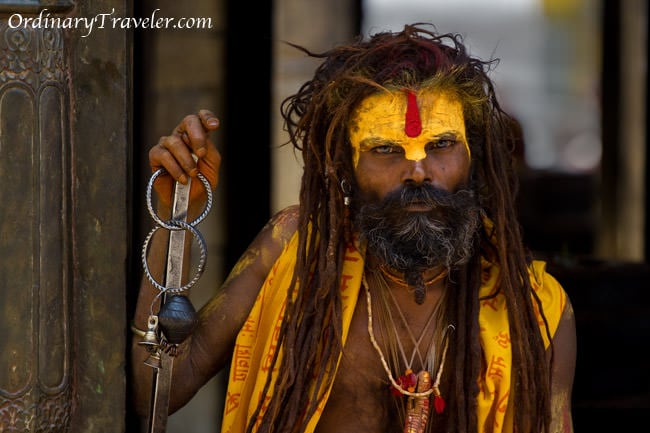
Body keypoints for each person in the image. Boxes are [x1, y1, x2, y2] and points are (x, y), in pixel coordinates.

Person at [131, 23, 576, 433]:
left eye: (441, 145)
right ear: (345, 167)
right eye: (385, 149)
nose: (419, 171)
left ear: (472, 158)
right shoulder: (293, 250)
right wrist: (177, 219)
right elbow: (156, 393)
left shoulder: (537, 311)